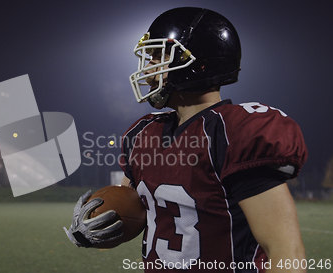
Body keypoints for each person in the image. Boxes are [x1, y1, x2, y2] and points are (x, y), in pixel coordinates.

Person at [65, 7, 308, 272]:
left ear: (198, 64)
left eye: (158, 56)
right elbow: (130, 208)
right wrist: (96, 224)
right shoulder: (143, 134)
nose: (148, 67)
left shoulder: (233, 132)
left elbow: (285, 252)